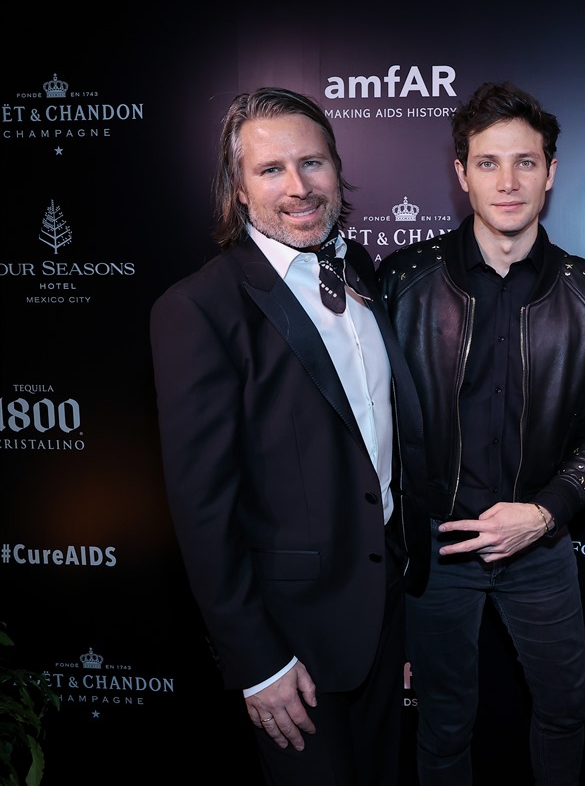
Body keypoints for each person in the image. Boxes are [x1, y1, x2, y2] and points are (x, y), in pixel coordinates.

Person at [150, 86, 428, 785]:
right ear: (238, 191)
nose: (299, 187)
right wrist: (257, 662)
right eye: (271, 170)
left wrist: (396, 609)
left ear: (338, 169)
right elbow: (203, 508)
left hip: (382, 619)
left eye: (313, 163)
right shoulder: (199, 309)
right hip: (291, 646)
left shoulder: (360, 269)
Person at [377, 82, 585, 786]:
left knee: (566, 708)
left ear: (551, 171)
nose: (507, 182)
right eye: (487, 163)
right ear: (460, 173)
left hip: (540, 545)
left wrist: (545, 512)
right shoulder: (404, 280)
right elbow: (376, 426)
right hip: (438, 547)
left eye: (525, 162)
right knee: (444, 720)